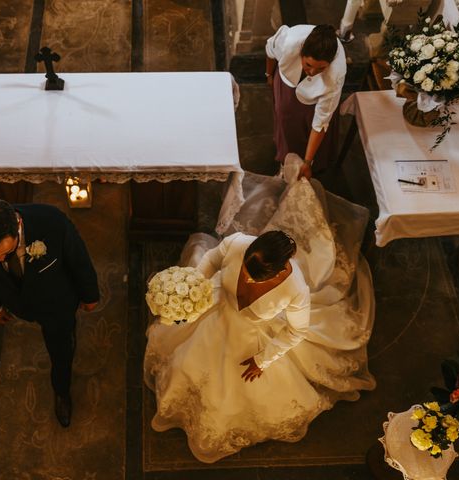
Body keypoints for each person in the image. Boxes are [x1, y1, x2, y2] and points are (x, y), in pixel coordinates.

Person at [144, 154, 375, 463]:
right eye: (245, 270)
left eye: (254, 276)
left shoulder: (296, 291)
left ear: (280, 272)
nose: (246, 278)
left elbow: (297, 331)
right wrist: (198, 282)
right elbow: (213, 258)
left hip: (249, 340)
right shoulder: (240, 243)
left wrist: (264, 359)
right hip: (214, 315)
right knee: (187, 363)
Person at [0, 199, 99, 428]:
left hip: (56, 304)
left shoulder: (52, 222)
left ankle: (61, 391)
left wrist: (89, 295)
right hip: (15, 302)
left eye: (5, 251)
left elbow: (78, 260)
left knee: (62, 350)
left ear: (17, 224)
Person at [265, 24, 346, 179]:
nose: (312, 72)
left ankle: (309, 161)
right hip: (287, 81)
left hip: (316, 98)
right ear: (301, 52)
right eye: (308, 65)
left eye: (321, 68)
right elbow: (270, 50)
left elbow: (320, 122)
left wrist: (308, 162)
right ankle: (285, 159)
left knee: (309, 128)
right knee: (285, 119)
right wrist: (269, 74)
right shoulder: (288, 41)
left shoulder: (335, 75)